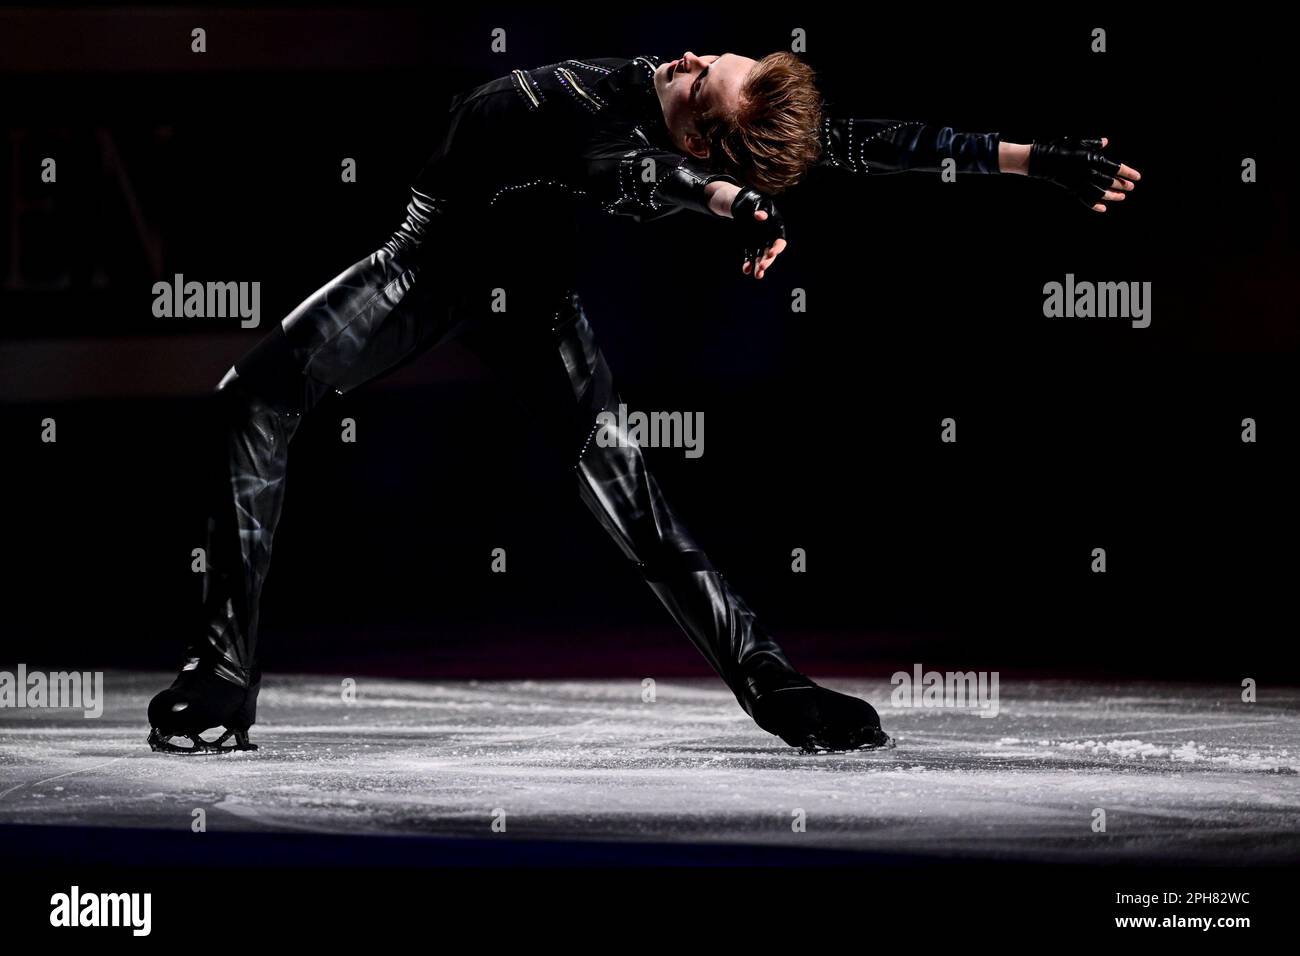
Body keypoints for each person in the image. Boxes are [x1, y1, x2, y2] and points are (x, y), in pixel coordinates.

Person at [147, 51, 1141, 755]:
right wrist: (1025, 156)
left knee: (632, 504)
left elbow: (656, 172)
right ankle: (224, 675)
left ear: (700, 126)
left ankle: (774, 683)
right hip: (431, 263)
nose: (688, 54)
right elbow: (738, 157)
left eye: (701, 75)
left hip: (529, 301)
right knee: (253, 398)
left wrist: (738, 200)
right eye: (713, 57)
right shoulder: (604, 97)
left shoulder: (636, 142)